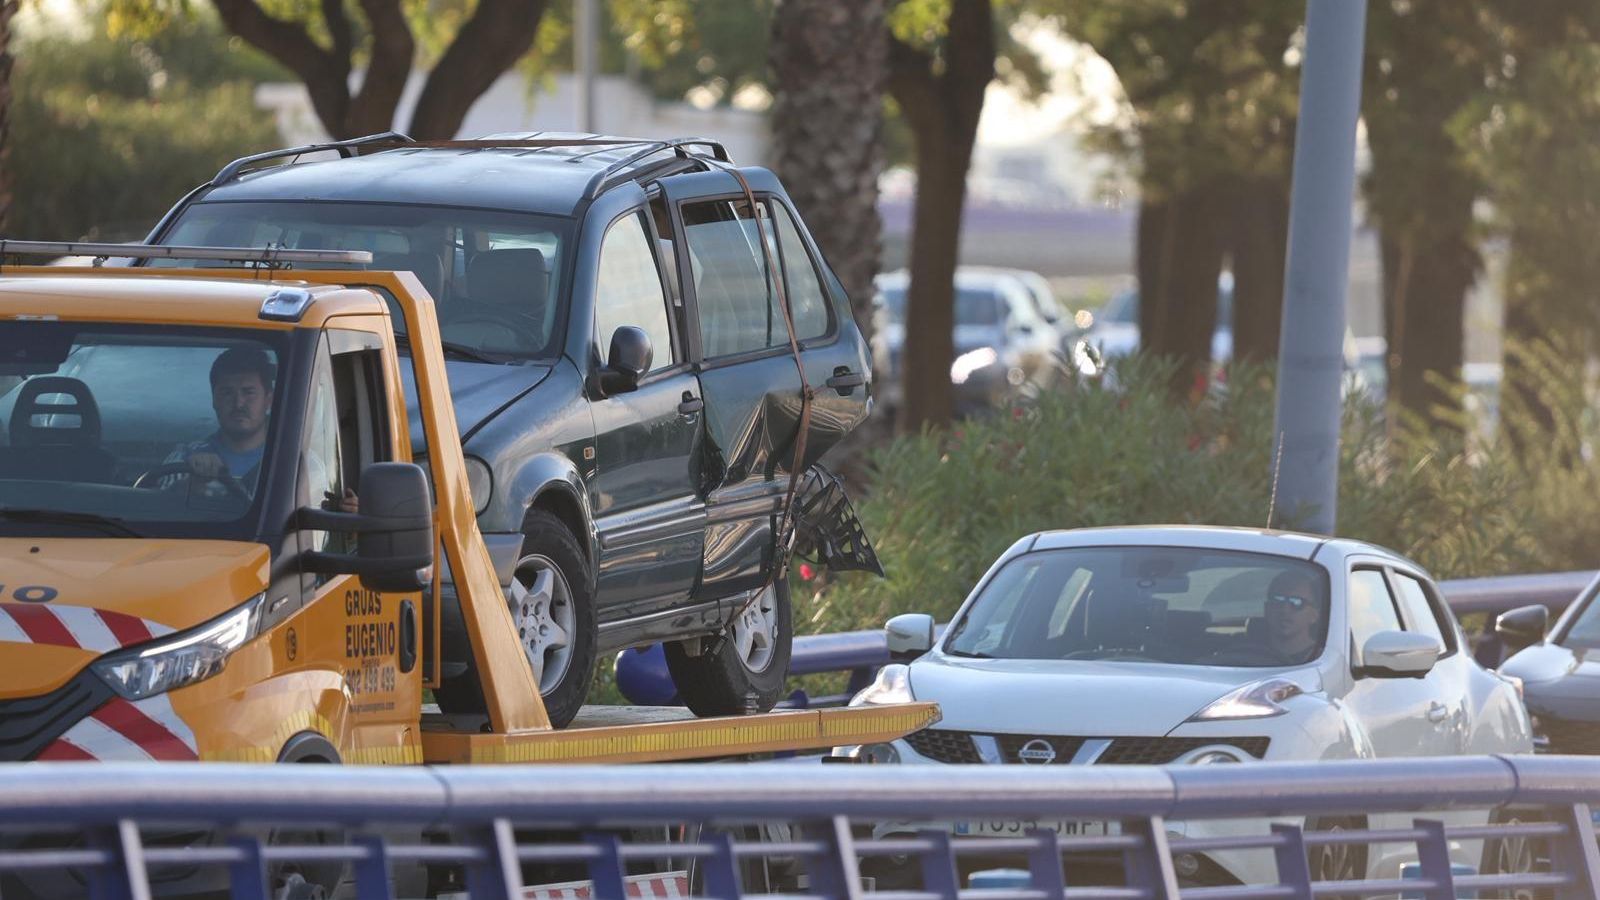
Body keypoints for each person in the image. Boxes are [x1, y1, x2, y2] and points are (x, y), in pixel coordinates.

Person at [166, 346, 357, 511]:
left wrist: (347, 513)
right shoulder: (184, 458)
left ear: (269, 399)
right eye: (227, 393)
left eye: (248, 392)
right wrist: (190, 485)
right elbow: (158, 509)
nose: (238, 403)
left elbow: (316, 528)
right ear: (214, 400)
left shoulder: (302, 465)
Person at [1260, 570, 1325, 663]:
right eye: (1278, 601)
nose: (1285, 610)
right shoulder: (1244, 653)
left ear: (1314, 615)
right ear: (1266, 609)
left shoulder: (1324, 659)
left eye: (1297, 603)